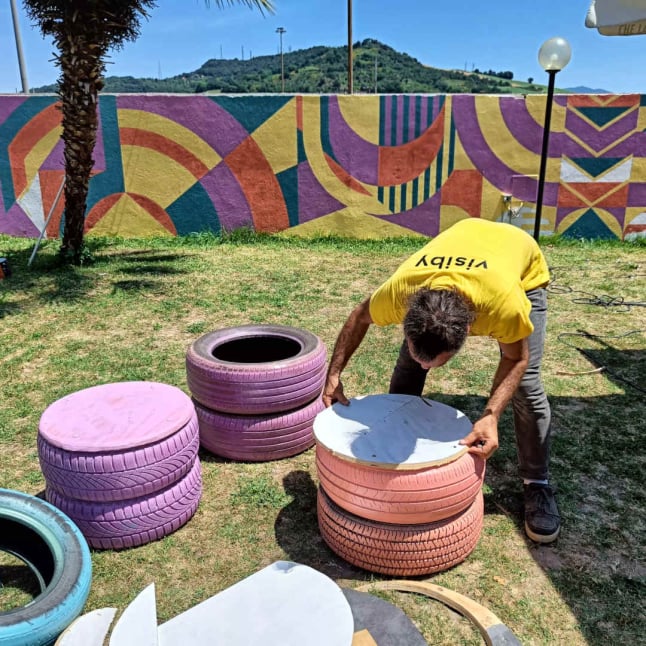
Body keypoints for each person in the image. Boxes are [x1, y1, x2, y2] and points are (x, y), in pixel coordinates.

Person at [322, 218, 559, 544]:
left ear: (467, 336)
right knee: (409, 364)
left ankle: (537, 484)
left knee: (527, 385)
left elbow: (516, 358)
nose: (425, 363)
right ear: (407, 321)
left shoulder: (503, 307)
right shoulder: (400, 292)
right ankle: (398, 429)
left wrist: (490, 416)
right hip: (466, 235)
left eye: (435, 360)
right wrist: (333, 374)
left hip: (519, 258)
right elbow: (359, 315)